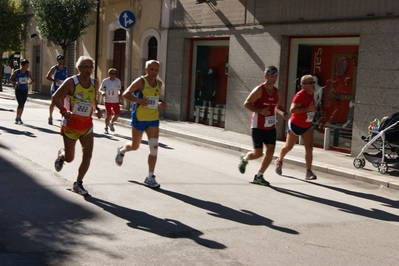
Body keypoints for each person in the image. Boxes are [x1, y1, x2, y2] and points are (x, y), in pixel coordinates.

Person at [52, 56, 102, 196]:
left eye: (90, 67)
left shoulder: (94, 83)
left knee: (88, 154)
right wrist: (64, 111)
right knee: (70, 158)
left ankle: (78, 183)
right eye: (85, 67)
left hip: (86, 126)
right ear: (78, 68)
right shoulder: (71, 82)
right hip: (71, 126)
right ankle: (61, 156)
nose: (88, 70)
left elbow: (92, 99)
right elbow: (55, 97)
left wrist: (97, 109)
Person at [115, 60, 167, 188]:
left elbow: (155, 98)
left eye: (156, 70)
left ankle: (150, 177)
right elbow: (125, 94)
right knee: (135, 146)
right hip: (139, 117)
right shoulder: (140, 82)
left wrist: (161, 103)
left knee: (154, 148)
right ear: (146, 69)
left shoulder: (159, 83)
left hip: (153, 119)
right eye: (152, 69)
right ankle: (121, 150)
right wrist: (139, 100)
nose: (154, 72)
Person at [238, 66, 288, 186]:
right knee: (258, 153)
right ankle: (245, 159)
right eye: (271, 75)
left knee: (270, 151)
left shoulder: (277, 93)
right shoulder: (259, 90)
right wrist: (260, 110)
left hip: (270, 126)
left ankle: (259, 176)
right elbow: (247, 104)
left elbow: (277, 106)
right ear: (265, 76)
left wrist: (283, 113)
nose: (274, 78)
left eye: (276, 76)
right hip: (258, 126)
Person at [275, 74, 317, 180]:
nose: (313, 84)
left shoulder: (311, 94)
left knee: (309, 148)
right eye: (310, 82)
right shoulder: (300, 95)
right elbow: (292, 110)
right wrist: (308, 109)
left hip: (307, 125)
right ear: (303, 85)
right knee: (289, 147)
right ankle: (279, 160)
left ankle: (308, 171)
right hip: (295, 125)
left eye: (313, 82)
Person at [10, 59, 35, 124]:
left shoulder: (28, 73)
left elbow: (33, 80)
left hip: (25, 90)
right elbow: (11, 79)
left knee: (22, 104)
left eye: (28, 66)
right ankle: (17, 117)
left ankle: (19, 117)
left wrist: (30, 83)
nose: (27, 67)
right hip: (18, 89)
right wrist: (15, 82)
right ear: (22, 65)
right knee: (20, 103)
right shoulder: (16, 72)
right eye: (26, 66)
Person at [99, 68, 123, 134]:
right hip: (107, 100)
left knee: (117, 115)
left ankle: (111, 123)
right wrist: (102, 93)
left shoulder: (118, 81)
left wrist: (120, 95)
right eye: (112, 73)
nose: (113, 75)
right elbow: (100, 89)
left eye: (115, 74)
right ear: (109, 74)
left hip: (116, 100)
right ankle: (106, 128)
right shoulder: (105, 81)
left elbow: (120, 89)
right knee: (108, 115)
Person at [46, 54, 68, 125]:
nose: (61, 61)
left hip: (62, 88)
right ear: (57, 60)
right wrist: (54, 80)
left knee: (63, 104)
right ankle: (50, 116)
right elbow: (47, 77)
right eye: (59, 59)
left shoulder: (65, 68)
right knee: (53, 103)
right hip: (55, 87)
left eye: (62, 59)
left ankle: (62, 119)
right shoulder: (54, 68)